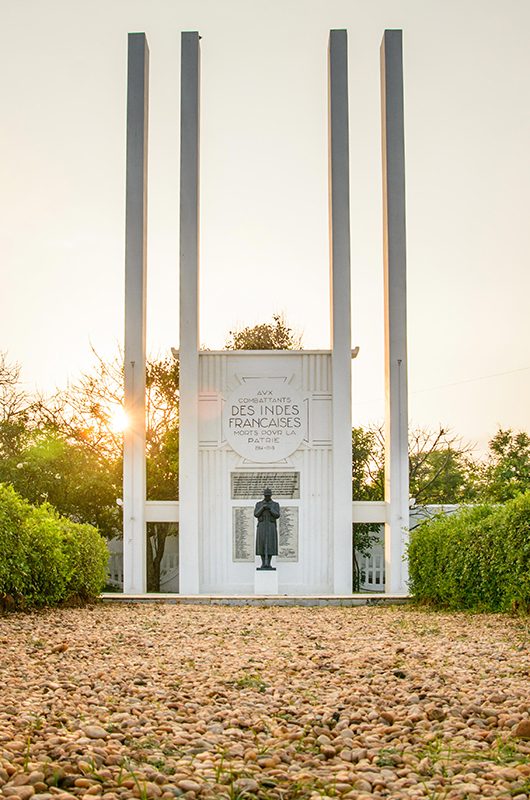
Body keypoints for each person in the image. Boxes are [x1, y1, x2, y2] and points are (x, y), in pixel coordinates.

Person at [254, 487, 280, 570]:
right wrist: (263, 508)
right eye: (266, 495)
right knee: (261, 544)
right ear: (264, 495)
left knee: (270, 544)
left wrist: (270, 509)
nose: (267, 497)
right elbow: (256, 514)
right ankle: (263, 563)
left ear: (271, 495)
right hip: (262, 526)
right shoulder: (259, 504)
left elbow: (277, 515)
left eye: (268, 495)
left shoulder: (275, 504)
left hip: (271, 526)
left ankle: (268, 563)